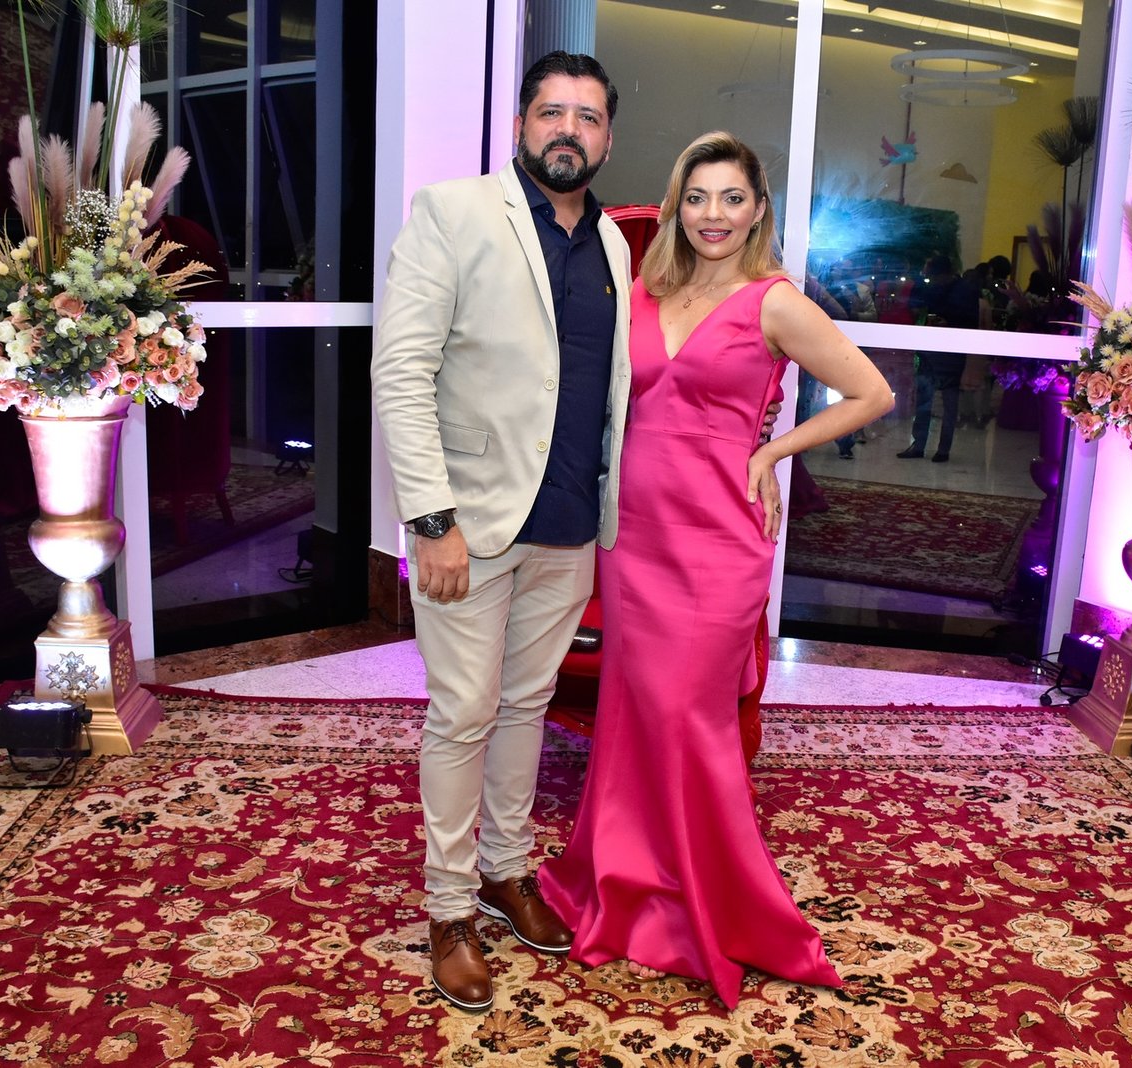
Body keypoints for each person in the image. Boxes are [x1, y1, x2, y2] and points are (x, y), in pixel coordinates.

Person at [538, 131, 894, 1009]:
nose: (713, 215)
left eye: (732, 198)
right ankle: (621, 882)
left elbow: (872, 392)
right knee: (632, 714)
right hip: (634, 537)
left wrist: (772, 450)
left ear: (758, 209)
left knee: (691, 720)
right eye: (697, 197)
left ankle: (710, 903)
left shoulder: (775, 303)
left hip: (718, 540)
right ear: (676, 205)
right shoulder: (644, 289)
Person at [371, 51, 632, 1015]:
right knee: (463, 713)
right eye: (552, 112)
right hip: (469, 523)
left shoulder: (613, 243)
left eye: (588, 117)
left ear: (608, 138)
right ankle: (448, 910)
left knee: (527, 706)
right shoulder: (454, 211)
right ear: (521, 124)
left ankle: (506, 870)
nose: (569, 130)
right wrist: (431, 520)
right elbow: (401, 371)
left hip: (570, 524)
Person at [897, 255, 972, 462]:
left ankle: (942, 449)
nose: (929, 278)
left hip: (951, 352)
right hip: (931, 351)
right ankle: (921, 445)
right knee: (925, 399)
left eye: (931, 275)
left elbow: (969, 322)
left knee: (948, 403)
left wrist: (949, 323)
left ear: (942, 274)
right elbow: (916, 307)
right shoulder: (939, 288)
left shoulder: (963, 290)